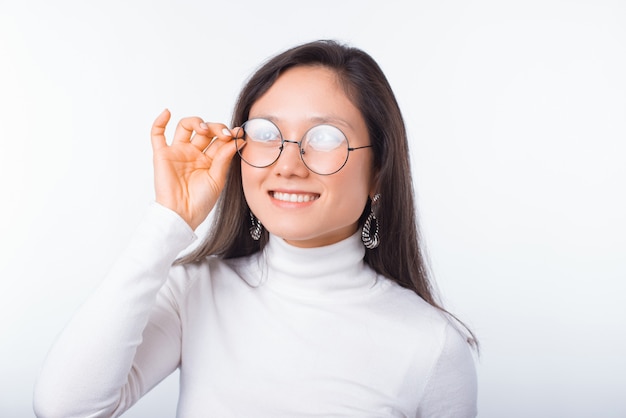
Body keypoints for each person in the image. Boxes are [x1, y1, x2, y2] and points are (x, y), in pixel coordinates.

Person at [34, 39, 478, 417]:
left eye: (325, 138)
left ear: (379, 169)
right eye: (265, 133)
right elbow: (65, 408)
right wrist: (169, 219)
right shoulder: (194, 293)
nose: (287, 165)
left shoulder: (433, 344)